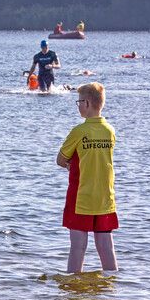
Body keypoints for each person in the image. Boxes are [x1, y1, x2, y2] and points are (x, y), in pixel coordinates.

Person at [56, 82, 118, 274]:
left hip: (81, 196)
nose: (78, 106)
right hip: (104, 196)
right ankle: (111, 284)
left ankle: (74, 285)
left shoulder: (79, 131)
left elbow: (60, 159)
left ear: (88, 103)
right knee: (105, 245)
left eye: (79, 102)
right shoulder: (109, 130)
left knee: (78, 246)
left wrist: (69, 165)